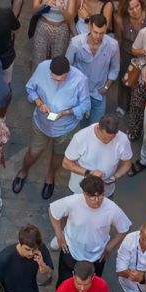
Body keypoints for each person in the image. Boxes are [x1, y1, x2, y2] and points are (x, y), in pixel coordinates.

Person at [20, 56, 92, 197]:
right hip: (41, 123)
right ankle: (24, 170)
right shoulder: (42, 68)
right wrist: (39, 103)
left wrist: (66, 112)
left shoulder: (80, 80)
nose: (57, 82)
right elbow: (30, 88)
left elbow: (85, 105)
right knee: (33, 152)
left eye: (61, 80)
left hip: (66, 128)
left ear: (68, 72)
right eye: (53, 79)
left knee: (59, 155)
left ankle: (50, 175)